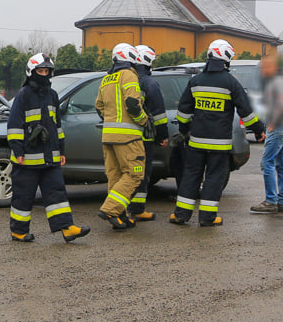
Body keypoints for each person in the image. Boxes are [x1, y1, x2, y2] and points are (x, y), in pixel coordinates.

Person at [171, 40, 265, 226]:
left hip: (196, 142)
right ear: (226, 58)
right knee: (213, 178)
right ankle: (207, 218)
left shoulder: (195, 81)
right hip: (219, 144)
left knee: (190, 176)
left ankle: (181, 215)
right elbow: (246, 112)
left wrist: (184, 130)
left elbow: (183, 112)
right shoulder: (231, 83)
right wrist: (259, 130)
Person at [6, 53, 89, 243]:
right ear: (31, 72)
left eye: (46, 71)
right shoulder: (23, 95)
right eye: (40, 71)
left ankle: (67, 228)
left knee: (57, 193)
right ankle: (18, 231)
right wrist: (18, 151)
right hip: (27, 158)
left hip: (50, 157)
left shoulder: (52, 95)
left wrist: (61, 150)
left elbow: (57, 126)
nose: (43, 75)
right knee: (23, 197)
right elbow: (14, 126)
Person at [95, 42, 148, 230]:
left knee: (115, 176)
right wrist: (143, 121)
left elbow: (98, 106)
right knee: (134, 175)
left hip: (108, 136)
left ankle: (119, 216)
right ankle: (110, 209)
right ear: (132, 58)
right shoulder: (128, 75)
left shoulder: (106, 79)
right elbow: (133, 103)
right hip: (128, 137)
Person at [127, 44, 169, 222]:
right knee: (142, 172)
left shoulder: (124, 79)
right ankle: (137, 209)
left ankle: (122, 207)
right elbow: (159, 114)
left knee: (124, 172)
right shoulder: (150, 83)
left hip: (125, 137)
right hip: (144, 137)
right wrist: (162, 135)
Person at [250, 53, 283, 214]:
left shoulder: (277, 81)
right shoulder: (277, 80)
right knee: (281, 165)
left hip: (279, 126)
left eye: (266, 66)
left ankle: (271, 201)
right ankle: (281, 202)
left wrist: (273, 122)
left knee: (266, 162)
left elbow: (281, 102)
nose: (263, 69)